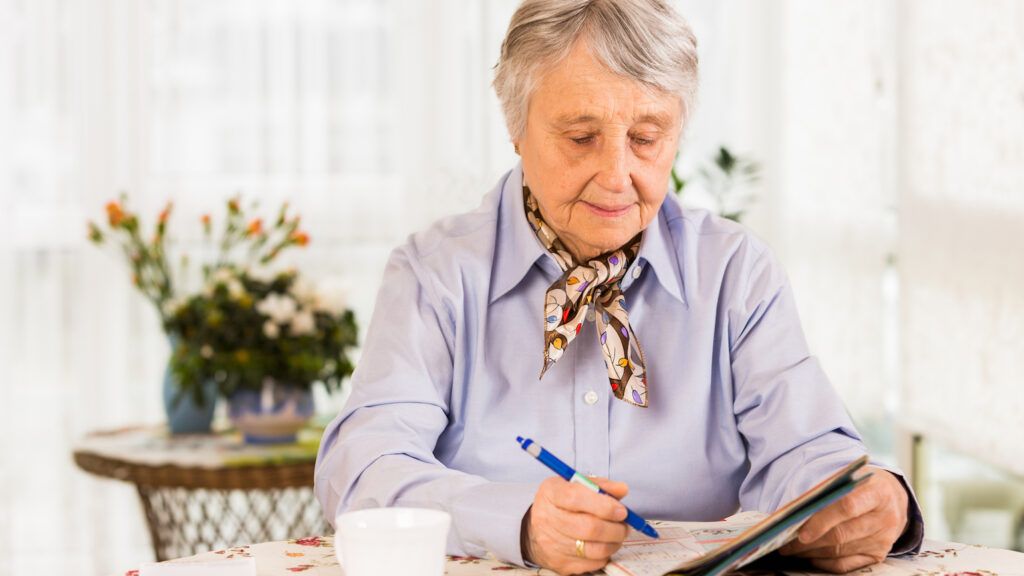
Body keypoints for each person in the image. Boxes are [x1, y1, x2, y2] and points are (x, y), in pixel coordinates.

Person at [315, 1, 923, 574]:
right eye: (581, 138)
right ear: (516, 129)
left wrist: (870, 502)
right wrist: (520, 523)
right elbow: (364, 469)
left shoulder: (736, 273)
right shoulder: (436, 274)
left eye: (647, 138)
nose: (616, 176)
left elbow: (810, 451)